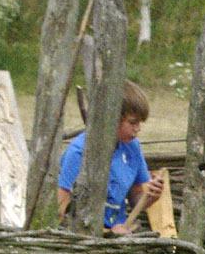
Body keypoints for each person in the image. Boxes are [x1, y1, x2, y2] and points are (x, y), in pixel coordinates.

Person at [56, 80, 166, 235]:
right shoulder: (79, 152)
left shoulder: (132, 148)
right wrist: (107, 233)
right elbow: (61, 207)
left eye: (140, 122)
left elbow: (136, 197)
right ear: (112, 117)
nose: (138, 128)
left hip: (119, 232)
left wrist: (151, 196)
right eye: (132, 122)